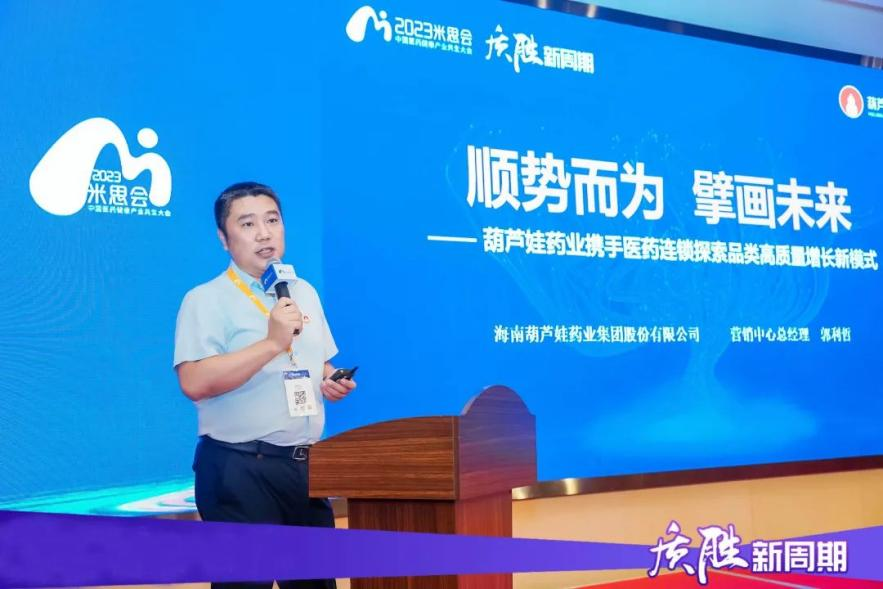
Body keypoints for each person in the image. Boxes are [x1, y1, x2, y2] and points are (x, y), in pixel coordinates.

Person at [174, 181, 355, 589]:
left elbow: (317, 361)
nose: (264, 233)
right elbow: (194, 381)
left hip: (304, 470)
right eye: (248, 224)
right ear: (224, 239)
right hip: (239, 469)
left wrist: (330, 380)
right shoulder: (206, 299)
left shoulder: (303, 292)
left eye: (272, 220)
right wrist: (272, 343)